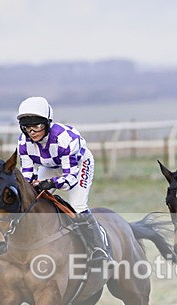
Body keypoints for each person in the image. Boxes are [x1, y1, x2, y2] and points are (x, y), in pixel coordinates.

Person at [15, 96, 112, 262]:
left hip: (78, 165)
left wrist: (48, 183)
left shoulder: (64, 140)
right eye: (27, 127)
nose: (32, 132)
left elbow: (69, 180)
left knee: (78, 205)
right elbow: (27, 177)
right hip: (50, 165)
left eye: (37, 125)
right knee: (30, 201)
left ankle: (99, 249)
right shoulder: (23, 143)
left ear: (47, 123)